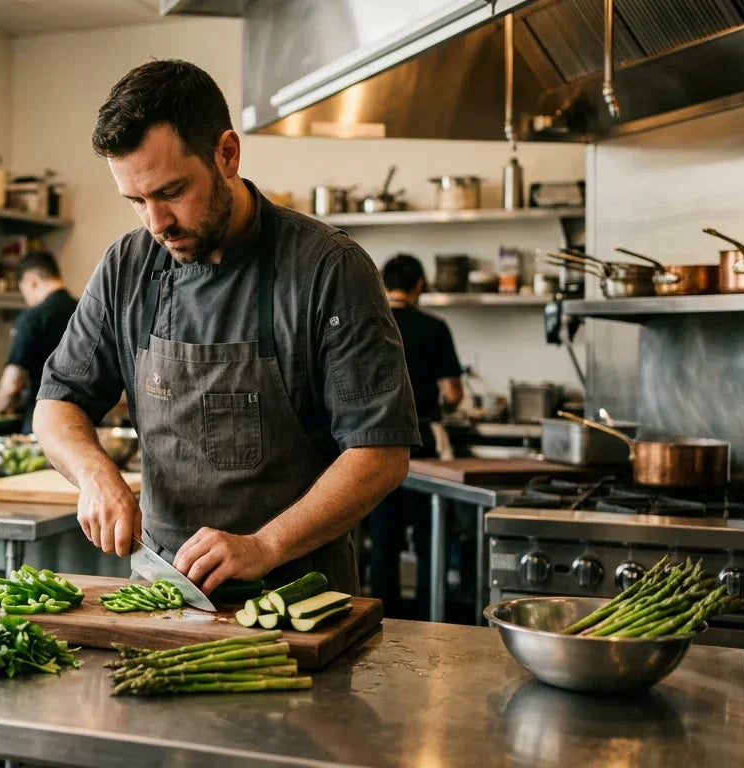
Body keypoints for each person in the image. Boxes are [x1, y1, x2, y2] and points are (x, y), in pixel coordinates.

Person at [32, 59, 420, 595]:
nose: (156, 224)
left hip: (298, 599)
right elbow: (57, 403)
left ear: (228, 154)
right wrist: (95, 474)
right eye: (137, 201)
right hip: (162, 594)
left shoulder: (329, 268)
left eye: (170, 192)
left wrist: (264, 545)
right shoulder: (127, 265)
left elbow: (381, 454)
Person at [366, 254, 464, 618]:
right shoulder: (434, 327)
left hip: (372, 446)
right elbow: (452, 393)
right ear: (420, 285)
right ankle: (427, 615)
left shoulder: (371, 323)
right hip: (422, 445)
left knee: (383, 538)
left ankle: (380, 617)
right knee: (428, 537)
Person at [0, 251, 78, 434]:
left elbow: (13, 382)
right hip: (86, 422)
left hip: (44, 425)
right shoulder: (85, 312)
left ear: (31, 281)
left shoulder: (33, 318)